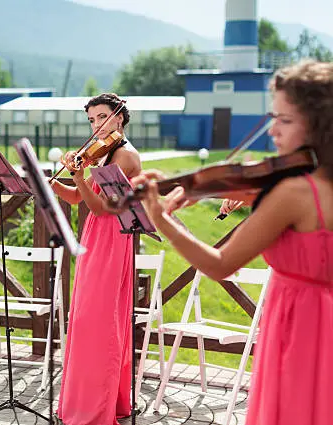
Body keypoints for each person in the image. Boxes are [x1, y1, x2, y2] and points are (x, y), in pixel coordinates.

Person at [130, 59, 333, 425]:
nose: (272, 130)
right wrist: (218, 190)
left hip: (298, 328)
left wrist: (161, 217)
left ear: (320, 125)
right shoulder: (316, 189)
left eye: (285, 120)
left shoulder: (292, 193)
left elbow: (220, 264)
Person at [50, 93, 141, 425]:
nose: (96, 126)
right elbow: (77, 197)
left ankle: (97, 406)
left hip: (113, 238)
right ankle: (95, 400)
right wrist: (49, 186)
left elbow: (102, 206)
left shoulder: (126, 157)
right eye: (91, 120)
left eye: (101, 117)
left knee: (100, 323)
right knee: (88, 320)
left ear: (118, 118)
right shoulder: (102, 156)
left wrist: (77, 175)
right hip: (95, 237)